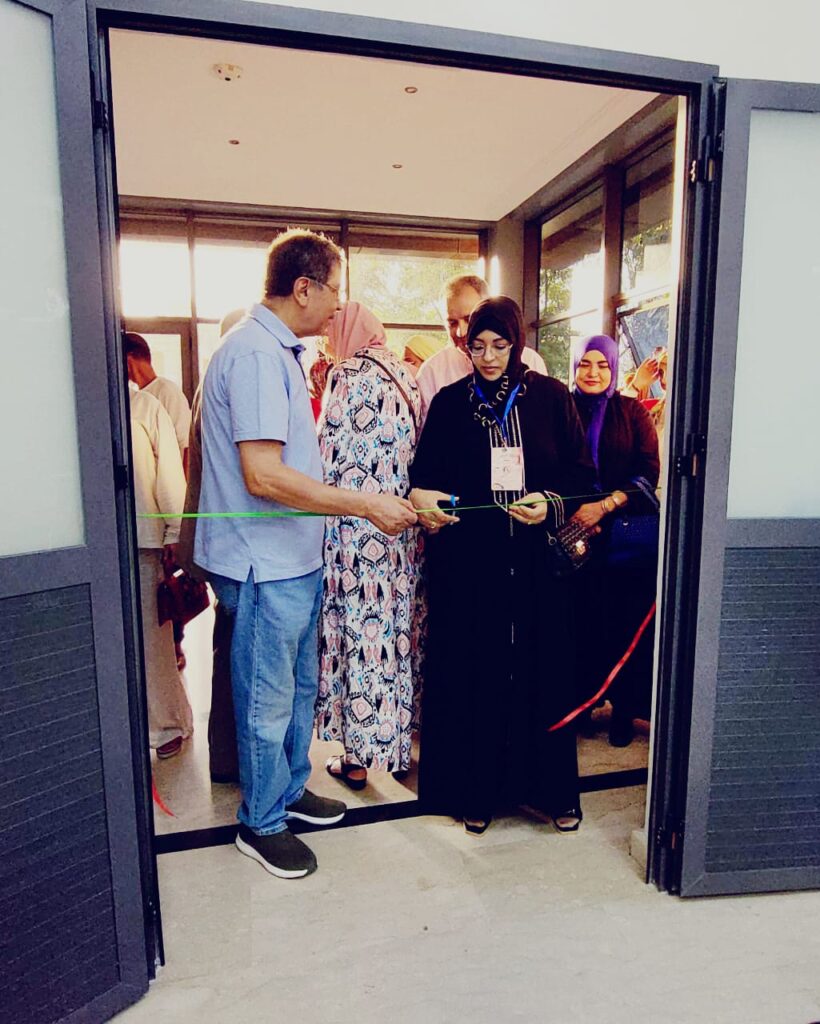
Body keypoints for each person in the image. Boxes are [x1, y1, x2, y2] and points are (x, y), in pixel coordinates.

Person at [195, 229, 417, 880]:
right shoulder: (255, 355)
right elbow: (263, 475)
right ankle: (261, 822)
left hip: (294, 559)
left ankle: (290, 790)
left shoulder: (279, 351)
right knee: (265, 702)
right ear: (303, 288)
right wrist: (366, 504)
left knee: (296, 691)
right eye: (333, 291)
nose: (337, 306)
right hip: (262, 565)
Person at [409, 296, 596, 835]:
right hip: (473, 564)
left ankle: (552, 791)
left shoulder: (551, 398)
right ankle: (479, 791)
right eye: (478, 346)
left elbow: (581, 476)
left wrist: (550, 504)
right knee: (479, 670)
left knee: (545, 668)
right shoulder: (450, 403)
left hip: (538, 563)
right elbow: (423, 477)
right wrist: (425, 500)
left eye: (499, 345)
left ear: (517, 344)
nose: (488, 357)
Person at [316, 302, 422, 789]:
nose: (326, 341)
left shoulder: (345, 374)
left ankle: (357, 759)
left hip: (354, 531)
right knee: (397, 636)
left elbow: (326, 455)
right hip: (401, 529)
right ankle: (397, 748)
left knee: (359, 638)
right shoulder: (407, 376)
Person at [569, 335, 661, 746]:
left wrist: (603, 507)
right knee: (581, 624)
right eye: (585, 364)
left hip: (624, 542)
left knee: (625, 624)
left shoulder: (632, 412)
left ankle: (624, 711)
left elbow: (648, 472)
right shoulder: (562, 409)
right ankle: (583, 705)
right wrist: (577, 514)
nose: (593, 373)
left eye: (602, 365)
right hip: (575, 537)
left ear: (613, 368)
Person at [177, 307, 245, 784]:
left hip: (217, 542)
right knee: (239, 655)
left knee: (229, 649)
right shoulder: (231, 385)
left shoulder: (208, 386)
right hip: (232, 546)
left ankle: (225, 757)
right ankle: (230, 758)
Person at [130, 386, 193, 760]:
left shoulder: (145, 406)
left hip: (143, 542)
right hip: (97, 546)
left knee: (153, 642)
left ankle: (168, 724)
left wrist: (174, 532)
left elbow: (169, 476)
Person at [414, 274, 548, 424]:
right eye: (452, 323)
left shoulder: (531, 361)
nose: (461, 332)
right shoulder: (431, 372)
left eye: (469, 319)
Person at [124, 332, 192, 475]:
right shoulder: (135, 397)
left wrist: (184, 487)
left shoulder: (167, 391)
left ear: (128, 359)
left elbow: (186, 445)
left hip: (171, 481)